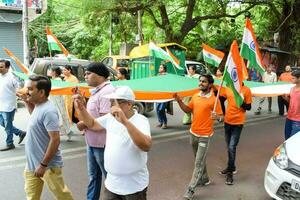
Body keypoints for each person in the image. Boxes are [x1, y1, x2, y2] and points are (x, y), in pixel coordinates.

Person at [73, 86, 152, 200]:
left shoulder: (141, 120)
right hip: (112, 185)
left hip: (134, 187)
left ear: (128, 104)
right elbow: (91, 123)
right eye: (110, 102)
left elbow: (146, 146)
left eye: (113, 102)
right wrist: (81, 109)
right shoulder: (110, 118)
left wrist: (125, 122)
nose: (110, 106)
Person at [21, 75, 73, 200]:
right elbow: (35, 118)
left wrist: (43, 165)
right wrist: (27, 102)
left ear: (41, 92)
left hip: (48, 165)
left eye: (30, 89)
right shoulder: (38, 106)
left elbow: (55, 139)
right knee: (31, 196)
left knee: (62, 196)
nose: (26, 91)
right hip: (32, 164)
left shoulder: (49, 111)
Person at [174, 74, 223, 200]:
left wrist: (217, 117)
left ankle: (190, 190)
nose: (201, 83)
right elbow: (187, 110)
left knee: (198, 162)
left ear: (210, 84)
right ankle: (205, 179)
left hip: (205, 136)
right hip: (193, 133)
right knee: (198, 159)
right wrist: (179, 100)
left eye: (204, 82)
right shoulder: (195, 96)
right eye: (200, 81)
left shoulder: (214, 99)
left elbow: (222, 118)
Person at [76, 62, 114, 200]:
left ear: (100, 75)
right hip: (92, 142)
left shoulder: (107, 92)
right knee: (94, 176)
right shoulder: (97, 91)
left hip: (102, 143)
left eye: (88, 73)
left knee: (109, 177)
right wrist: (81, 104)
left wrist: (84, 124)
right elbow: (92, 115)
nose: (85, 76)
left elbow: (105, 120)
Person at [219, 83, 252, 185]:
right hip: (227, 122)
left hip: (238, 123)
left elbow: (249, 107)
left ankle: (230, 173)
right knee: (229, 147)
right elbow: (220, 99)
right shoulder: (229, 87)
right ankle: (231, 167)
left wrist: (240, 101)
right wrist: (223, 113)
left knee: (232, 147)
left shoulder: (246, 90)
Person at [0, 59, 26, 151]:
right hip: (1, 105)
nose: (0, 68)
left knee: (7, 125)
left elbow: (18, 89)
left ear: (7, 67)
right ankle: (20, 133)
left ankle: (10, 143)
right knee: (3, 123)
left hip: (8, 106)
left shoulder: (12, 77)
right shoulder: (0, 76)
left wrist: (22, 96)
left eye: (1, 67)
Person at [49, 66, 73, 140]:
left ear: (54, 72)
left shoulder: (58, 80)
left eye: (51, 70)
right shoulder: (52, 80)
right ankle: (59, 133)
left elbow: (55, 89)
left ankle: (68, 132)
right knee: (56, 117)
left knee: (61, 116)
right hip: (53, 100)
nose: (49, 72)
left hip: (58, 100)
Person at [62, 65, 79, 140]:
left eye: (65, 70)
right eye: (63, 70)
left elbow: (75, 88)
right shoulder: (65, 78)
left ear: (69, 70)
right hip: (66, 98)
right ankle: (68, 131)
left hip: (72, 99)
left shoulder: (73, 78)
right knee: (68, 115)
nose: (63, 71)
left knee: (74, 115)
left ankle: (83, 128)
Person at [283, 70, 300, 140]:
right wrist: (285, 98)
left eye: (293, 78)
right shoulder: (292, 89)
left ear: (299, 78)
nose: (291, 79)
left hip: (298, 119)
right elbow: (291, 102)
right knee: (287, 138)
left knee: (293, 139)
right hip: (289, 117)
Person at [156, 64, 169, 129]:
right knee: (157, 109)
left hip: (165, 95)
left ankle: (165, 123)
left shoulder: (167, 76)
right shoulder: (158, 75)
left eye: (161, 67)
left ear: (164, 69)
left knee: (161, 109)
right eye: (159, 67)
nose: (159, 68)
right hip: (158, 95)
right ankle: (160, 122)